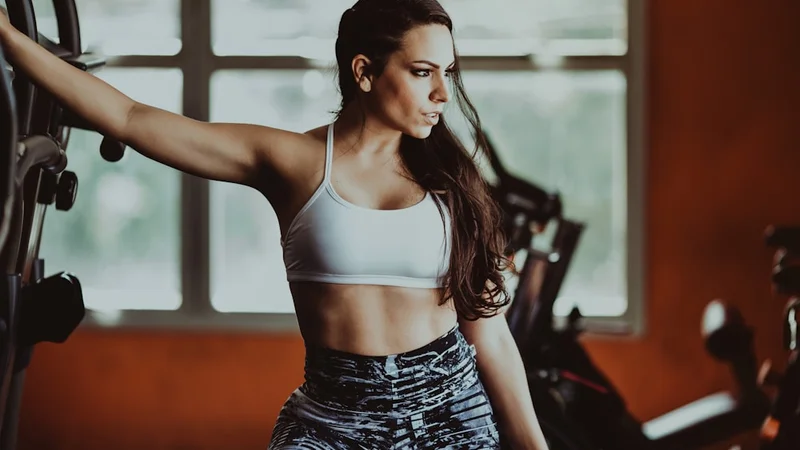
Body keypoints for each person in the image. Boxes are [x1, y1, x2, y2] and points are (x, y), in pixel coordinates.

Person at [0, 0, 550, 448]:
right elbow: (130, 118)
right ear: (364, 71)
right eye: (423, 72)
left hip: (449, 410)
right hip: (334, 420)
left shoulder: (453, 183)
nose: (443, 95)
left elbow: (490, 334)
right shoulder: (295, 162)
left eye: (447, 73)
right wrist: (7, 36)